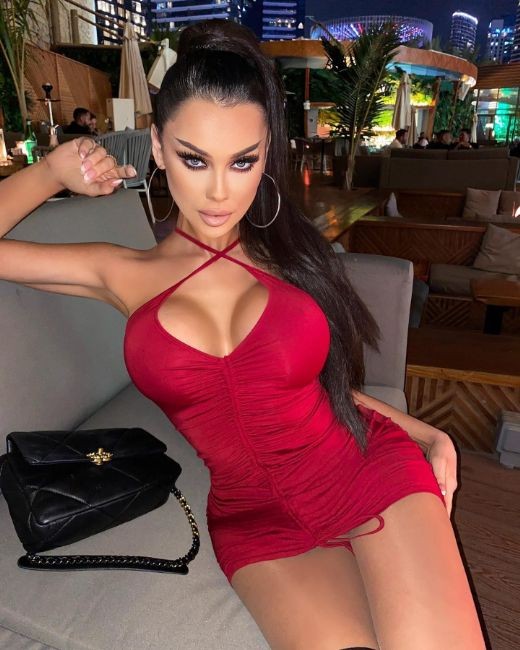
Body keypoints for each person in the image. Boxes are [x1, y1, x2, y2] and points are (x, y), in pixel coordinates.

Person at [0, 20, 486, 650]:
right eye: (194, 158)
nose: (219, 191)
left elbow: (311, 390)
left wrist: (430, 434)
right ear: (156, 147)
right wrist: (51, 171)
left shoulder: (289, 256)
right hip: (255, 522)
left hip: (365, 471)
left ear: (266, 155)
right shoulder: (121, 271)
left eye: (243, 161)